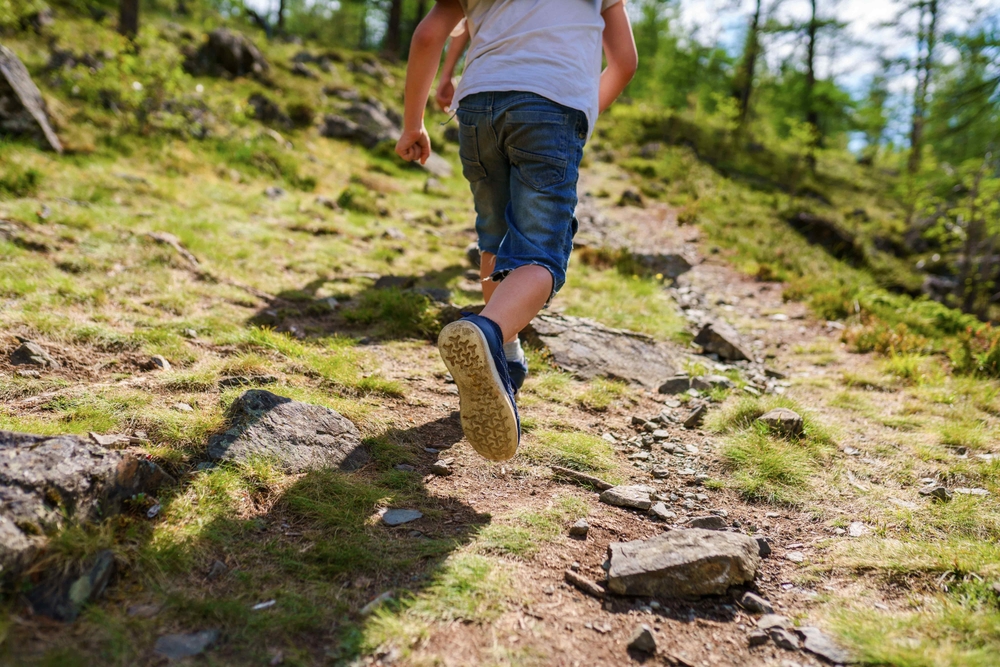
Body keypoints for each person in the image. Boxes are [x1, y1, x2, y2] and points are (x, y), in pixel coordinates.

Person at [395, 0, 637, 462]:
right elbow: (624, 62)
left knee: (496, 236)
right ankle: (487, 331)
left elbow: (428, 35)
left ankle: (504, 357)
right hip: (552, 104)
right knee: (542, 255)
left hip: (479, 106)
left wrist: (413, 123)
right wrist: (583, 110)